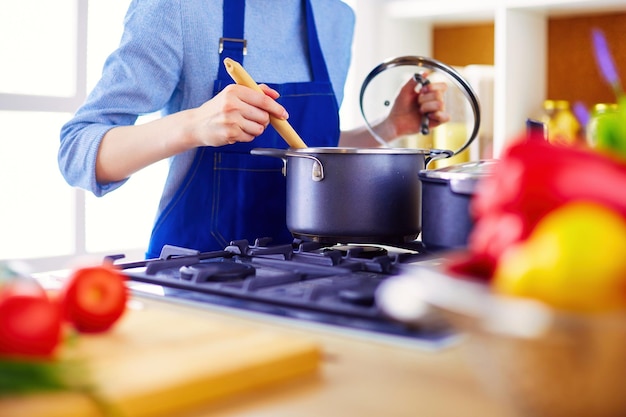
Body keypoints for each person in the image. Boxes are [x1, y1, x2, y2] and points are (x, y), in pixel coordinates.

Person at [59, 0, 450, 258]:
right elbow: (78, 152)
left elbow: (309, 151)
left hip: (312, 279)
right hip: (199, 280)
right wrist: (195, 124)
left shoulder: (336, 16)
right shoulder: (179, 8)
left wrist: (391, 126)